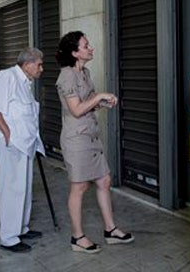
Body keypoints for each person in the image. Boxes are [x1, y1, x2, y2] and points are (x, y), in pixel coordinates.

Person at [55, 31, 134, 254]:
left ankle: (110, 230)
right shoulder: (67, 75)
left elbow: (86, 103)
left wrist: (102, 103)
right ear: (74, 52)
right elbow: (76, 109)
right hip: (76, 139)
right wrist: (99, 96)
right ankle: (77, 237)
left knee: (104, 180)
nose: (91, 48)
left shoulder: (85, 72)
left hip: (91, 135)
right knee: (79, 186)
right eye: (86, 45)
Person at [0, 47, 46, 253]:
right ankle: (9, 237)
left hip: (25, 144)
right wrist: (7, 135)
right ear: (27, 64)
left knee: (24, 187)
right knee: (11, 188)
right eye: (39, 64)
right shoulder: (7, 77)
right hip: (11, 143)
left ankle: (21, 227)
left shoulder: (24, 82)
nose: (41, 69)